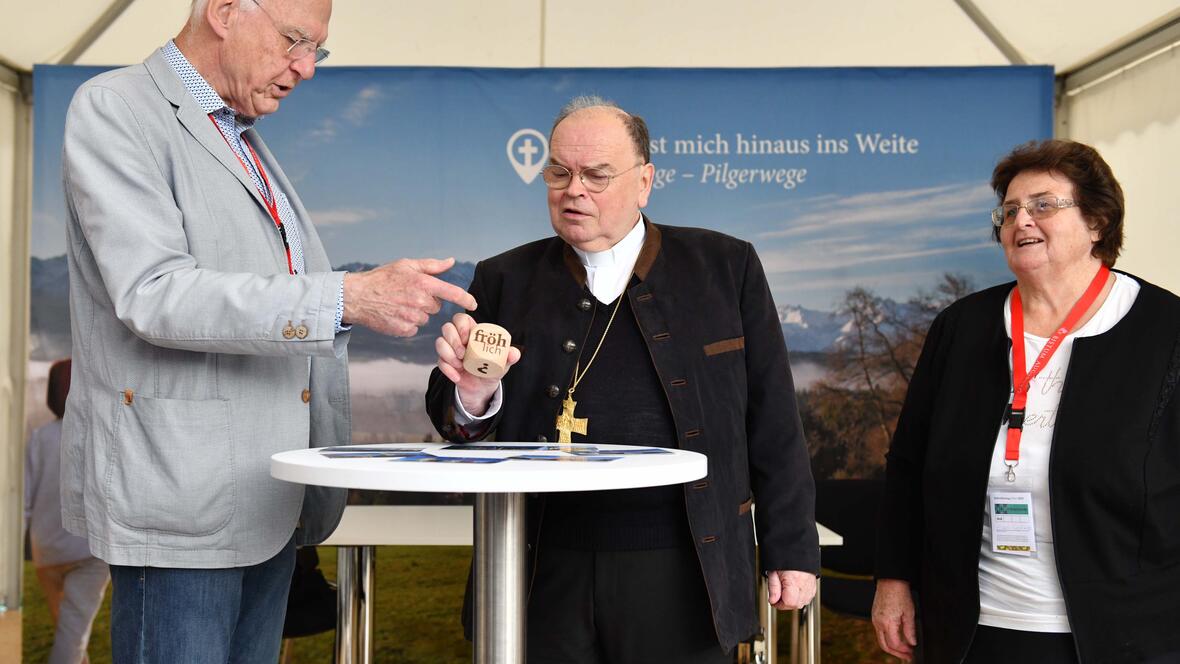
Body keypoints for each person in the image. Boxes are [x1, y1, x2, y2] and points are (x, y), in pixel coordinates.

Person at [59, 1, 476, 662]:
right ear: (224, 11)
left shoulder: (240, 135)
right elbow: (155, 293)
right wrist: (349, 295)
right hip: (182, 501)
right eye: (294, 41)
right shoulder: (116, 109)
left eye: (317, 50)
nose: (306, 68)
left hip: (268, 503)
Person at [425, 96, 819, 662]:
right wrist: (473, 395)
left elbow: (775, 419)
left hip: (685, 568)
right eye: (558, 172)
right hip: (541, 564)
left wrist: (792, 549)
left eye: (596, 174)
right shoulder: (504, 277)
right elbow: (454, 423)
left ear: (644, 182)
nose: (573, 189)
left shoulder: (726, 267)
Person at [871, 139, 1180, 663]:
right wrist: (894, 579)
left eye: (1043, 205)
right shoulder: (962, 328)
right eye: (1009, 210)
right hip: (973, 628)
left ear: (1098, 222)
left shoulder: (1165, 332)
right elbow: (908, 465)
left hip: (1127, 633)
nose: (1021, 221)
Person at [25, 358, 109, 664]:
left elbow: (23, 496)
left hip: (46, 550)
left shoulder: (39, 437)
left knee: (70, 630)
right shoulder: (100, 435)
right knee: (73, 633)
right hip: (89, 549)